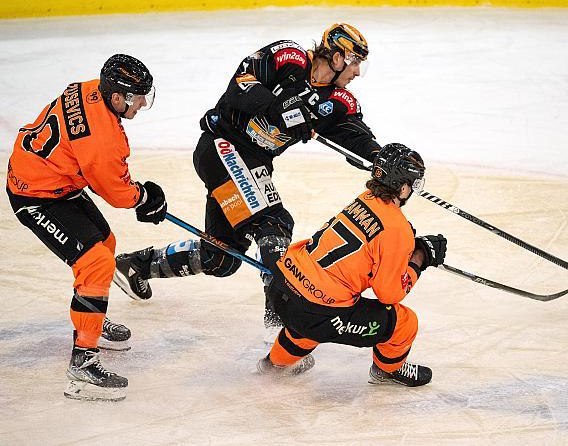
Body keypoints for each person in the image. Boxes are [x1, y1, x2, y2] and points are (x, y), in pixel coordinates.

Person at [113, 23, 381, 344]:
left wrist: (382, 158)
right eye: (353, 63)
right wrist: (280, 109)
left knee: (222, 258)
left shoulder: (338, 100)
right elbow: (240, 86)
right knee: (274, 223)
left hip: (253, 165)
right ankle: (281, 322)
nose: (356, 72)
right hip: (222, 148)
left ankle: (136, 266)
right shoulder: (288, 57)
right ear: (337, 57)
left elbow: (356, 135)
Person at [6, 54, 168, 401]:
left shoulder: (88, 88)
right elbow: (117, 193)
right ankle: (82, 365)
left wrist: (137, 196)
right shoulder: (103, 139)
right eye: (137, 97)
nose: (141, 103)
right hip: (35, 194)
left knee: (105, 243)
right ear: (116, 97)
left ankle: (91, 320)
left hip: (53, 178)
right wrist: (144, 197)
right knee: (95, 261)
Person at [257, 143, 447, 387]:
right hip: (315, 312)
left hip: (282, 287)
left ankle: (274, 365)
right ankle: (387, 371)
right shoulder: (396, 229)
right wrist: (419, 258)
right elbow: (390, 293)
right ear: (402, 187)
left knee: (305, 321)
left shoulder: (364, 199)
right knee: (403, 322)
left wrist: (402, 246)